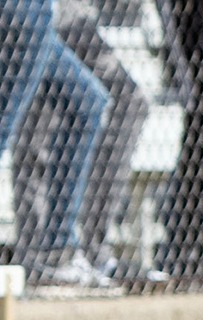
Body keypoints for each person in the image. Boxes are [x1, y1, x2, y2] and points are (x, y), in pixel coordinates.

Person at [13, 0, 151, 289]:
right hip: (42, 11)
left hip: (73, 13)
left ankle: (82, 251)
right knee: (47, 121)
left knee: (112, 103)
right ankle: (44, 254)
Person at [0, 0, 108, 288]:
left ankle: (57, 252)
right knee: (3, 127)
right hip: (26, 11)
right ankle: (58, 252)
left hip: (33, 14)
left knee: (88, 104)